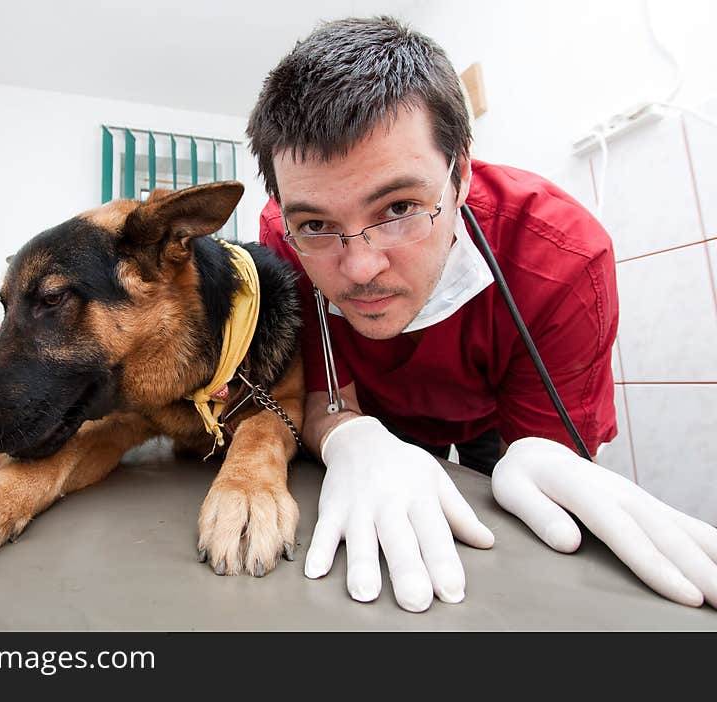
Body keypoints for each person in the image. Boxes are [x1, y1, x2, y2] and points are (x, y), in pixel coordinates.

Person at [246, 16, 717, 613]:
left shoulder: (561, 256)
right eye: (317, 224)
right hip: (376, 416)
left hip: (496, 422)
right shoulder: (281, 237)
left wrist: (545, 458)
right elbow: (323, 396)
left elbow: (551, 454)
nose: (360, 268)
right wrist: (349, 437)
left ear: (461, 174)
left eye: (399, 207)